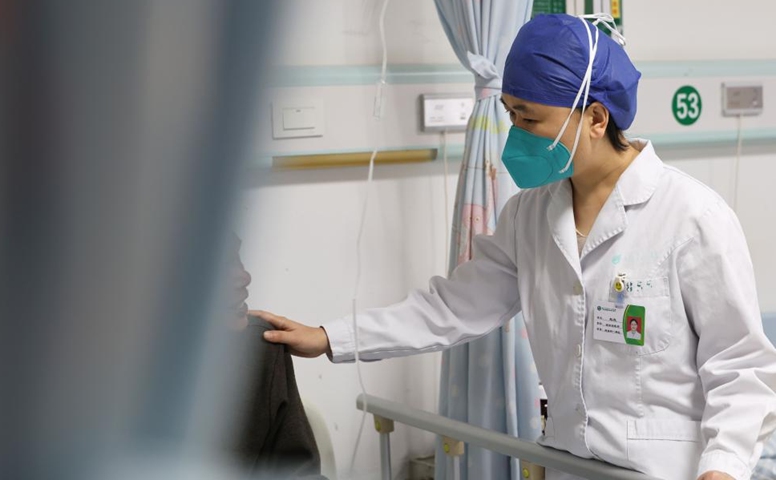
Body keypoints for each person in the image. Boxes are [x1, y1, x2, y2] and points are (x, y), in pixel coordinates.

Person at [251, 13, 776, 480]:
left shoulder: (692, 218)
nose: (515, 134)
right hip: (567, 462)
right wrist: (330, 337)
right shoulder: (529, 216)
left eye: (529, 118)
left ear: (595, 118)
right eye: (510, 114)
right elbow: (449, 308)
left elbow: (740, 367)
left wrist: (724, 468)